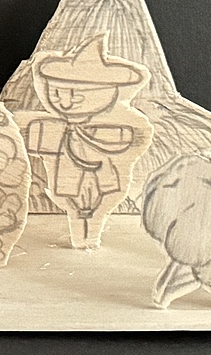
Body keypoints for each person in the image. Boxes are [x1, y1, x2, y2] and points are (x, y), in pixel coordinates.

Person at [17, 36, 154, 248]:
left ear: (110, 92)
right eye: (57, 93)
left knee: (101, 200)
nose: (65, 103)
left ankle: (90, 236)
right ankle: (81, 236)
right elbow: (28, 136)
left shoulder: (114, 128)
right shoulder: (54, 128)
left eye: (76, 96)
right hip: (68, 177)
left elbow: (135, 138)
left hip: (101, 176)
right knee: (73, 203)